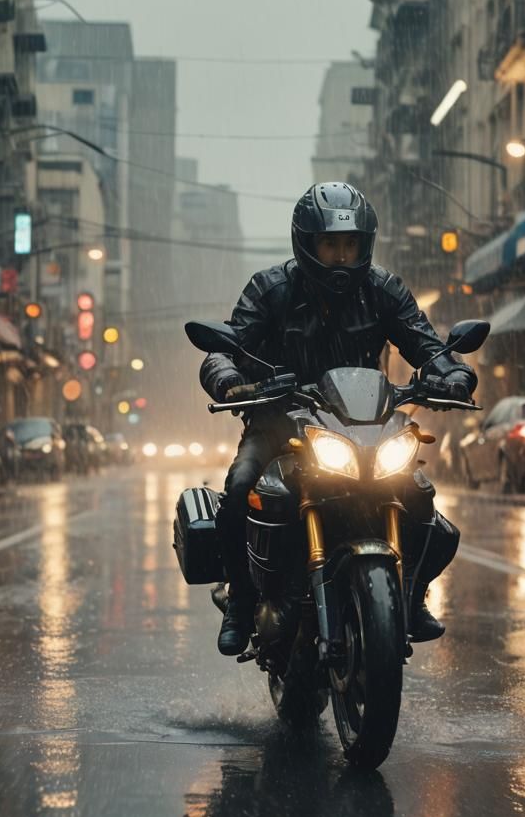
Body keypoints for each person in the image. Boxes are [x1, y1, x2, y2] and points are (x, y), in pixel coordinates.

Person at [201, 182, 477, 656]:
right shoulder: (270, 289)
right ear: (307, 245)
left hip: (362, 425)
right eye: (331, 245)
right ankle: (241, 602)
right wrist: (228, 379)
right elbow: (224, 351)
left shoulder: (383, 289)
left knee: (419, 497)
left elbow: (425, 343)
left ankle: (409, 595)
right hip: (279, 421)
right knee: (238, 489)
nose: (341, 257)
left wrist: (453, 373)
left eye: (350, 245)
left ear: (364, 245)